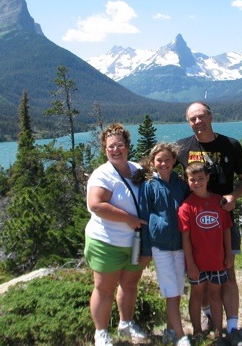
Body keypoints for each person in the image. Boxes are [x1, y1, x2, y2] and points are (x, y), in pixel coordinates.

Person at [176, 101, 242, 346]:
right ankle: (211, 321)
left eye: (201, 117)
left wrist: (234, 196)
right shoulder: (182, 149)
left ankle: (232, 328)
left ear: (210, 116)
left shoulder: (230, 145)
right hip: (195, 224)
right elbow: (160, 165)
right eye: (192, 119)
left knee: (227, 273)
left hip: (223, 221)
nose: (198, 122)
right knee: (203, 279)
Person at [84, 123, 149, 346]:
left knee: (130, 285)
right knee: (104, 289)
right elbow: (96, 204)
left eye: (119, 145)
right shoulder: (102, 175)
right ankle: (101, 333)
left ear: (127, 146)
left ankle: (126, 323)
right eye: (111, 146)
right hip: (106, 241)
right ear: (105, 149)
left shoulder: (137, 170)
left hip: (135, 242)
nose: (115, 150)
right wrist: (128, 219)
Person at [135, 142, 191, 346]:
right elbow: (144, 218)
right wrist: (147, 249)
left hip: (180, 245)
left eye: (168, 159)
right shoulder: (149, 186)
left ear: (175, 161)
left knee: (176, 289)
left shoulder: (181, 185)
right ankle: (181, 336)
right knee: (170, 291)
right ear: (152, 162)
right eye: (159, 160)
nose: (164, 163)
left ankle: (170, 330)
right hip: (160, 247)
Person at [179, 161, 233, 343]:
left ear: (208, 178)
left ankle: (218, 332)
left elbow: (226, 230)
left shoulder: (219, 202)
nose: (197, 183)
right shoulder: (186, 206)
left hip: (217, 259)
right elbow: (185, 238)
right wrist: (190, 263)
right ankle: (196, 331)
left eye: (200, 178)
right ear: (187, 181)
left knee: (215, 295)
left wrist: (229, 253)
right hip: (197, 263)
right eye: (192, 179)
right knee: (196, 294)